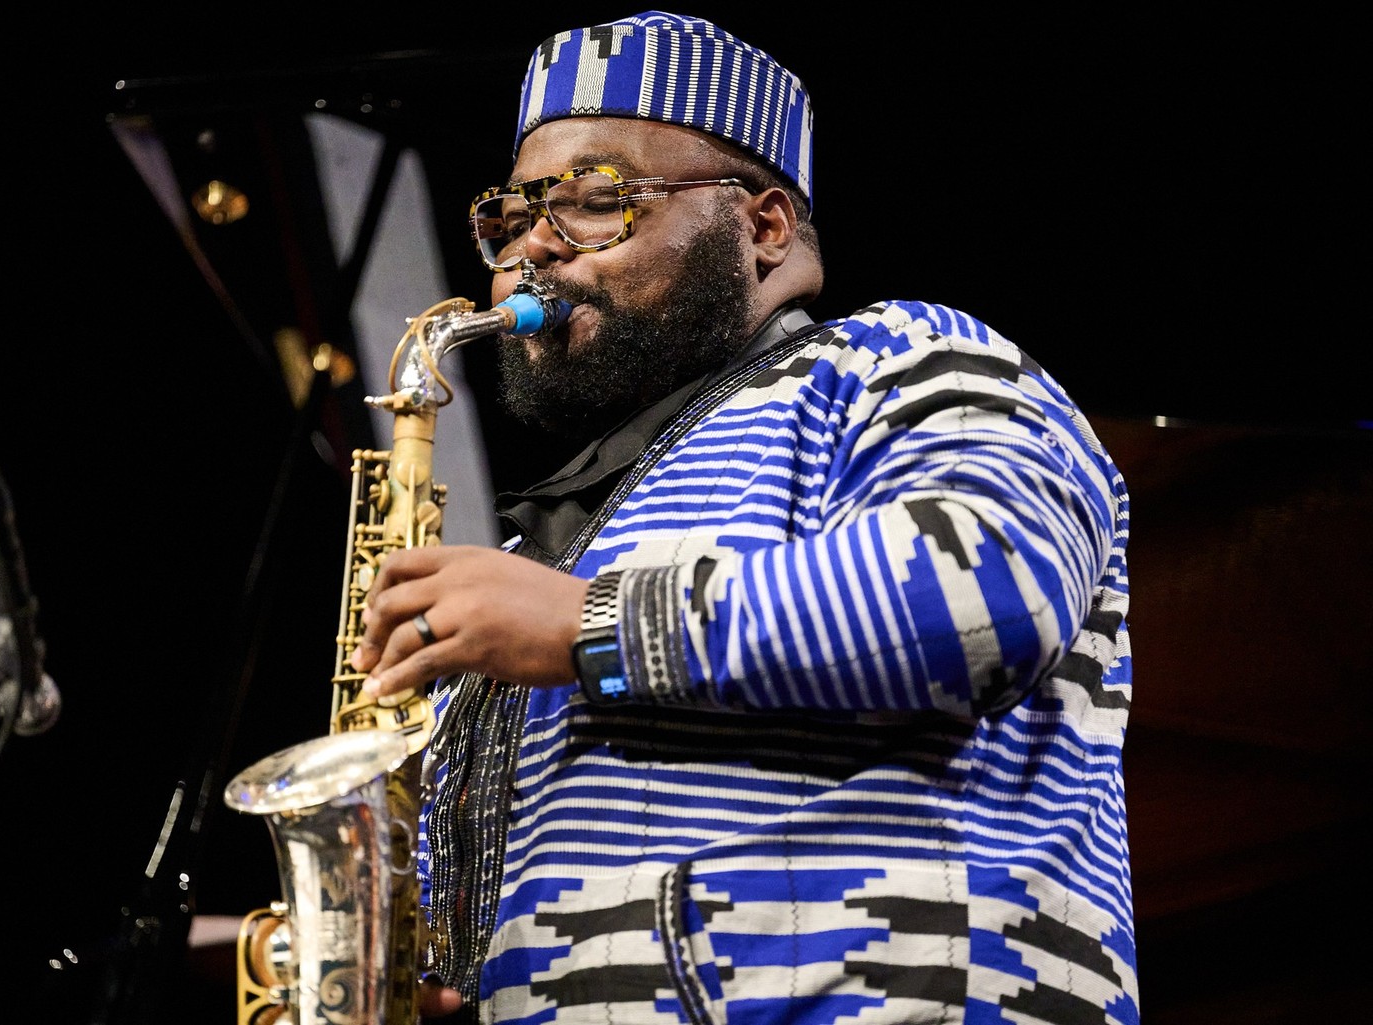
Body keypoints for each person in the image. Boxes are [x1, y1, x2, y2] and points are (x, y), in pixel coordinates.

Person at [351, 10, 1136, 1024]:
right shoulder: (544, 544)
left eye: (595, 200)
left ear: (764, 227)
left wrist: (591, 623)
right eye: (512, 216)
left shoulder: (900, 358)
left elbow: (990, 586)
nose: (532, 246)